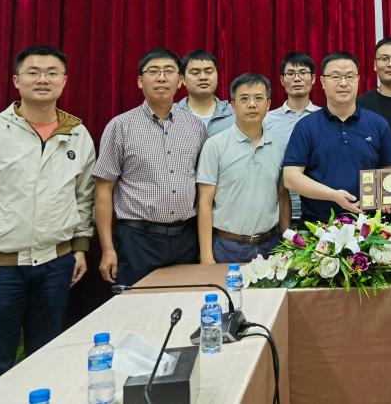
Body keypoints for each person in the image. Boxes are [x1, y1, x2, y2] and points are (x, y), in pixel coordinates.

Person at [0, 45, 96, 387]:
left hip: (56, 265)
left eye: (52, 72)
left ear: (64, 80)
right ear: (16, 80)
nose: (43, 79)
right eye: (33, 72)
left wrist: (80, 246)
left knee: (47, 361)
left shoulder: (78, 134)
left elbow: (84, 197)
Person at [93, 48, 208, 286]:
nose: (161, 78)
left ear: (180, 81)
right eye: (153, 71)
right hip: (137, 240)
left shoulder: (195, 127)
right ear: (140, 81)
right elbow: (103, 188)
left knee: (184, 303)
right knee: (137, 306)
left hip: (186, 239)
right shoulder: (120, 126)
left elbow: (202, 186)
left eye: (169, 71)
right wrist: (107, 248)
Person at [283, 52, 391, 223]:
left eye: (349, 76)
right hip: (317, 229)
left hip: (369, 229)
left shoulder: (378, 124)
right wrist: (332, 195)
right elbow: (291, 178)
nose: (343, 83)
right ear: (322, 82)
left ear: (358, 80)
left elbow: (388, 170)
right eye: (335, 76)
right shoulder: (306, 126)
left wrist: (390, 194)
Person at [197, 74, 291, 264]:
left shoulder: (279, 146)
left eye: (258, 98)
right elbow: (204, 203)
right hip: (227, 246)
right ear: (233, 105)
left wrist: (287, 244)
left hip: (270, 245)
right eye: (244, 98)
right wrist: (206, 255)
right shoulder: (215, 145)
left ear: (268, 104)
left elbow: (283, 196)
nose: (252, 104)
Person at [264, 51, 321, 224]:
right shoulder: (267, 120)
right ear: (282, 80)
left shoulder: (325, 118)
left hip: (316, 208)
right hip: (275, 211)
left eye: (303, 73)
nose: (297, 79)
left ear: (313, 78)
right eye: (290, 73)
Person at [176, 49, 234, 135]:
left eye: (209, 72)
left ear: (217, 77)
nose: (203, 77)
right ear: (183, 80)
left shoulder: (234, 113)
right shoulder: (171, 115)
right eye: (195, 73)